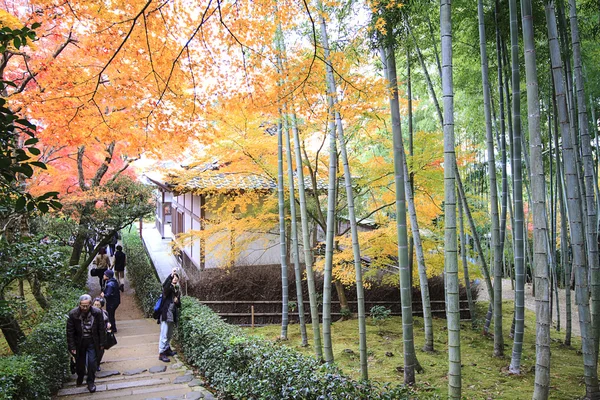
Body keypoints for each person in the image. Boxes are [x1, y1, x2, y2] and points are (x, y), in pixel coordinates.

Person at [66, 294, 106, 393]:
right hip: (79, 342)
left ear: (90, 304)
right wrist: (72, 346)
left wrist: (102, 343)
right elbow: (70, 332)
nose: (84, 308)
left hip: (92, 341)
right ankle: (80, 375)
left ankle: (91, 382)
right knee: (80, 364)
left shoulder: (97, 313)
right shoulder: (73, 314)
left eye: (86, 306)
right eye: (82, 305)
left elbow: (101, 329)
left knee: (92, 363)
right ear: (79, 304)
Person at [158, 270, 181, 362]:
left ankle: (167, 349)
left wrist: (177, 301)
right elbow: (165, 286)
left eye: (176, 278)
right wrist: (170, 275)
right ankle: (161, 352)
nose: (175, 279)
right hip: (166, 313)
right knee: (164, 333)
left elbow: (179, 305)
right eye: (173, 278)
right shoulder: (168, 288)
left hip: (172, 314)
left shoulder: (177, 290)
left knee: (169, 334)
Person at [93, 297, 111, 371]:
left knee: (101, 351)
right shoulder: (90, 313)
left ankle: (97, 364)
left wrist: (108, 324)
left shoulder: (104, 313)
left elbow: (108, 321)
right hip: (93, 335)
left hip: (102, 335)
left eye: (98, 305)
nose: (96, 306)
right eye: (95, 305)